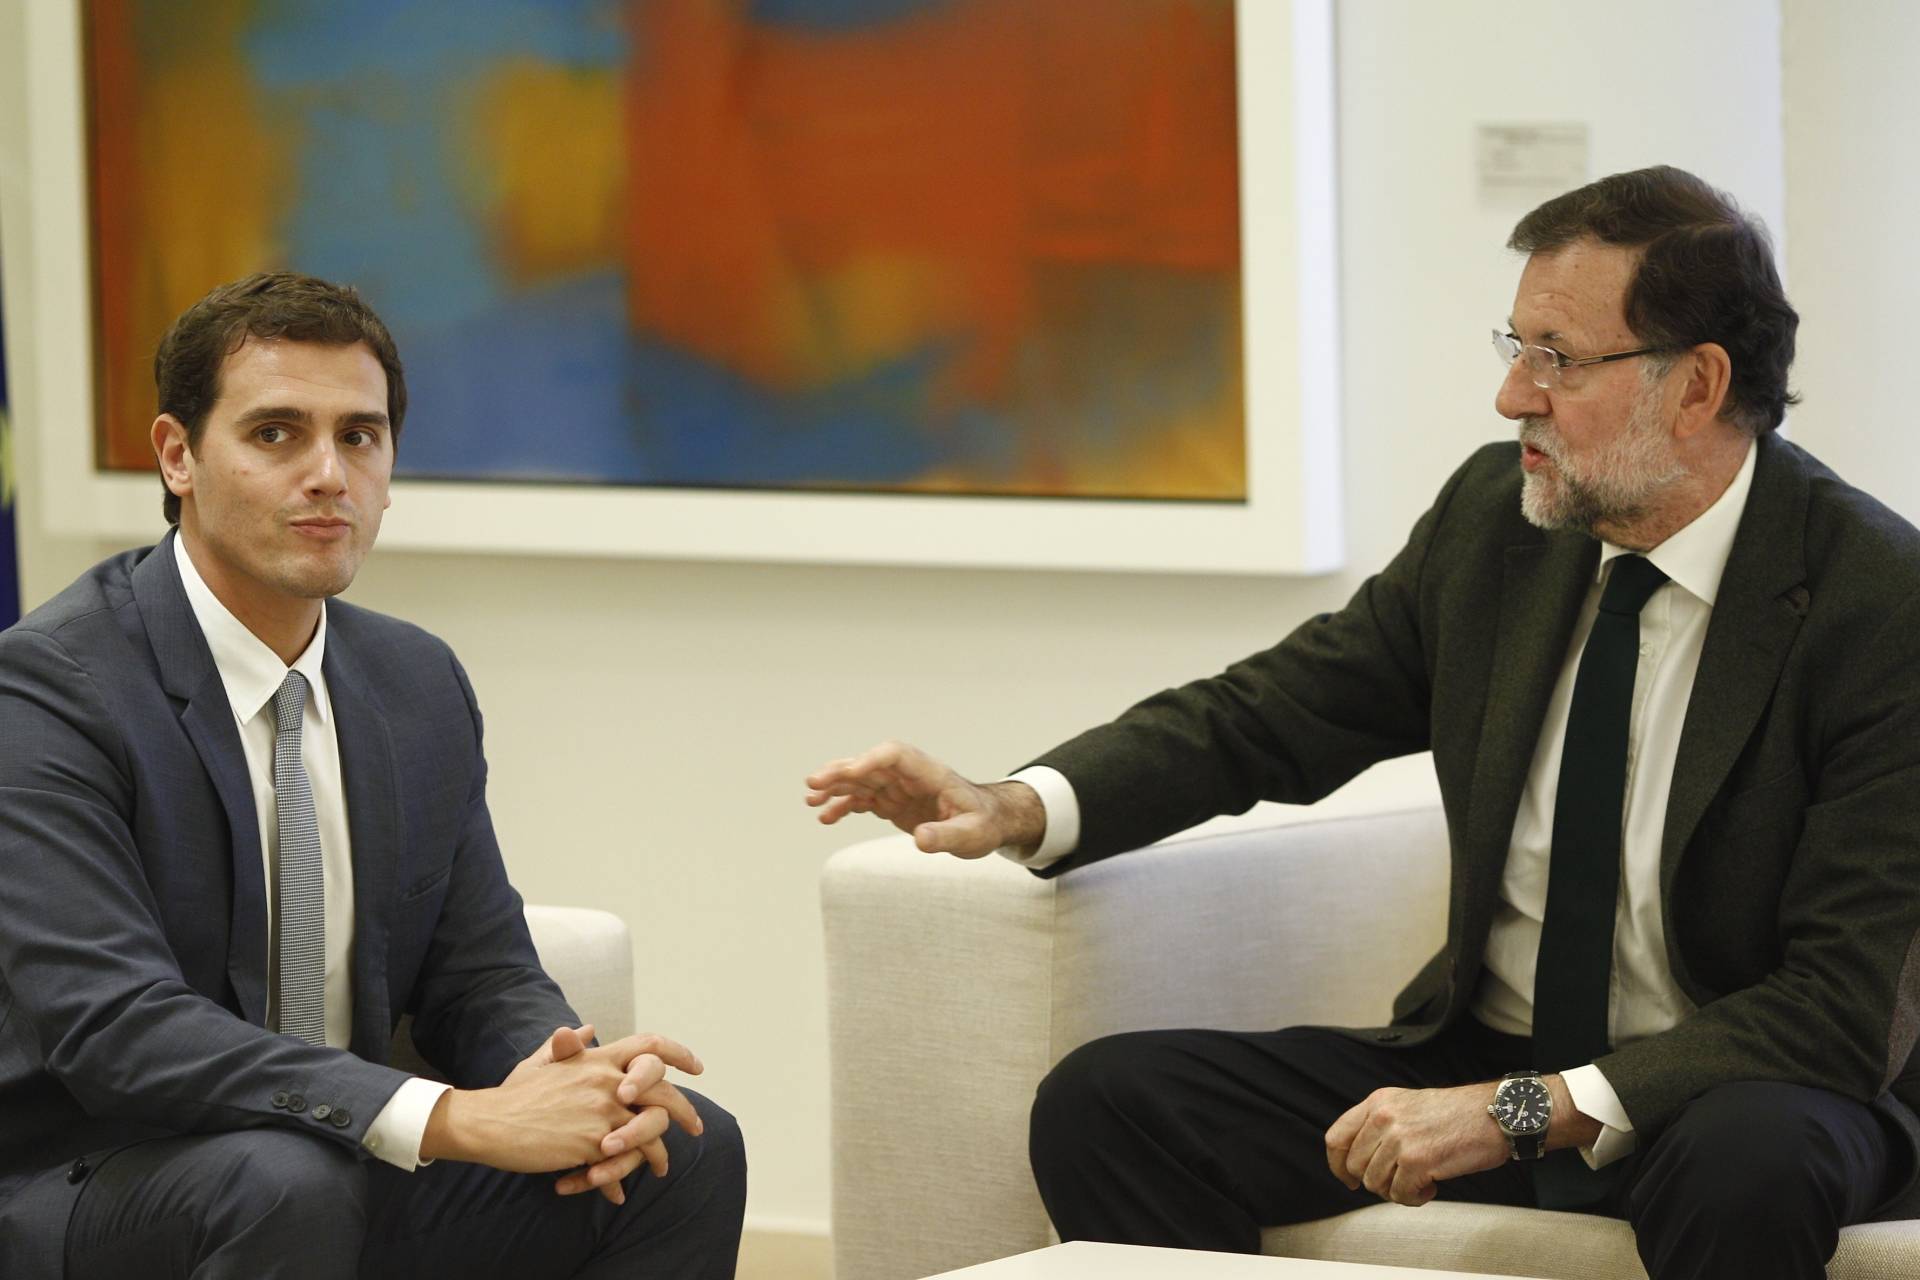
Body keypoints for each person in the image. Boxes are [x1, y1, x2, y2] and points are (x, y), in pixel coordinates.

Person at [805, 166, 1920, 1280]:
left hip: (1739, 1083)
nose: (1513, 397)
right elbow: (1272, 713)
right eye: (1515, 347)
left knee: (1751, 1160)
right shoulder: (1499, 524)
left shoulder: (1877, 602)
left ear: (1698, 384)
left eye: (1559, 359)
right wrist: (1015, 802)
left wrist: (1523, 1110)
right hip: (1491, 1048)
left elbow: (1836, 1005)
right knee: (1114, 1101)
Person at [0, 272, 746, 1278]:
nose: (328, 474)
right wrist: (448, 1115)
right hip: (90, 1173)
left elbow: (479, 972)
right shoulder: (50, 689)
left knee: (678, 1148)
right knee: (283, 1180)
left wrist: (574, 1077)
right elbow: (117, 1026)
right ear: (177, 454)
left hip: (333, 1154)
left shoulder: (414, 679)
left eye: (359, 436)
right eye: (275, 434)